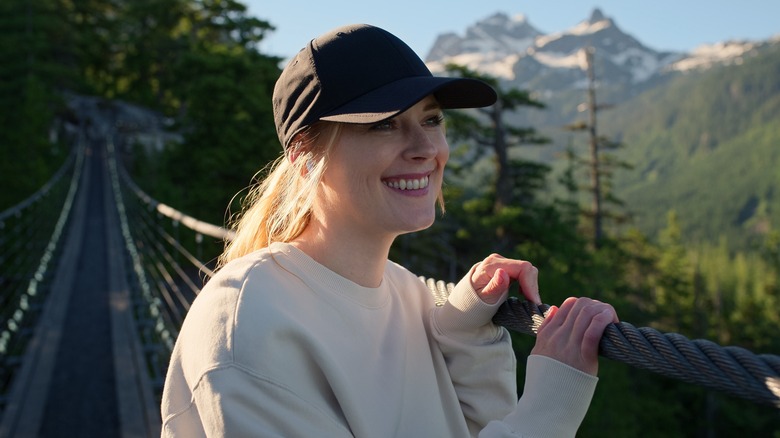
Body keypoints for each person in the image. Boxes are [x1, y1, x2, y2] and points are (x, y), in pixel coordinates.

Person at [160, 23, 618, 437]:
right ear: (303, 155)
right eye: (383, 125)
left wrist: (465, 335)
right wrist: (549, 410)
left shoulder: (411, 296)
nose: (424, 148)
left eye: (432, 119)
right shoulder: (248, 325)